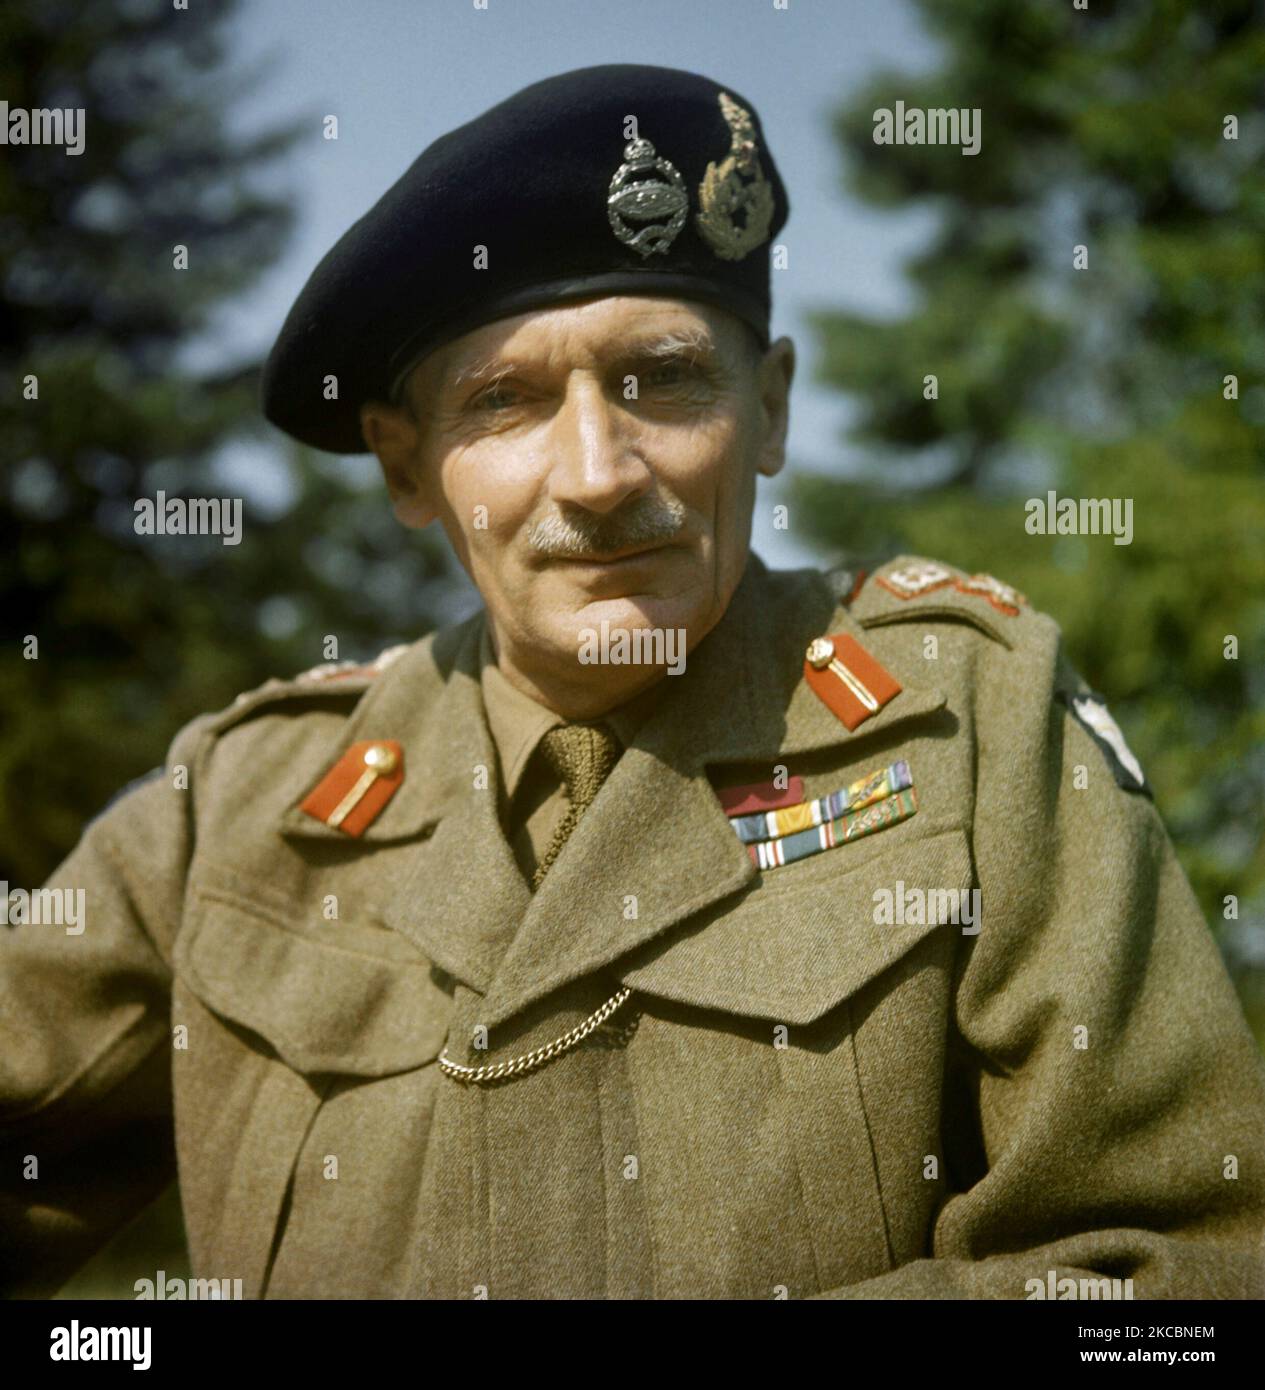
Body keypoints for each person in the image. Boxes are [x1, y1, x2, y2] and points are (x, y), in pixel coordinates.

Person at [3, 64, 1263, 1301]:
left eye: (661, 378)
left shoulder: (971, 723)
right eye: (504, 401)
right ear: (406, 468)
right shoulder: (236, 807)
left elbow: (1169, 1271)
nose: (598, 472)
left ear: (765, 412)